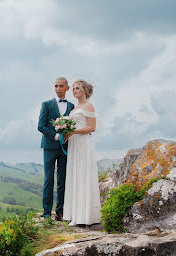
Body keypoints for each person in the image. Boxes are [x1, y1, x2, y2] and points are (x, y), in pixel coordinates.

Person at [63, 79, 101, 226]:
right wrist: (66, 134)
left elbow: (92, 128)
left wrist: (73, 131)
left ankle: (85, 216)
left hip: (83, 144)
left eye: (77, 88)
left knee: (83, 175)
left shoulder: (89, 106)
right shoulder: (73, 109)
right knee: (75, 175)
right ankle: (75, 214)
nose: (74, 91)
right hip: (74, 144)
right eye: (73, 89)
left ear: (84, 90)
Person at [38, 77, 75, 220]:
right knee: (48, 179)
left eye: (61, 86)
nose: (58, 88)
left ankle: (60, 212)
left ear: (67, 88)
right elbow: (41, 126)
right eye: (56, 86)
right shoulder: (46, 104)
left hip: (66, 147)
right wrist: (56, 136)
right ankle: (46, 213)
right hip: (49, 147)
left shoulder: (72, 106)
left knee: (63, 179)